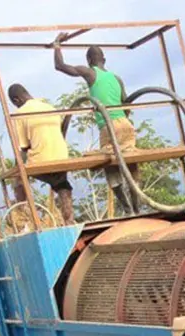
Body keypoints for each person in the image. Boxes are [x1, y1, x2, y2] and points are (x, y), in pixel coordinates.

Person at [53, 36, 140, 216]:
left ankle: (128, 209)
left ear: (90, 61)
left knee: (111, 168)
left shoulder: (91, 72)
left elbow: (60, 66)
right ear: (104, 60)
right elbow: (126, 103)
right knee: (131, 165)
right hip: (126, 124)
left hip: (109, 127)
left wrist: (57, 45)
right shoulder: (116, 78)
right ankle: (138, 209)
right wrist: (123, 120)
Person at [7, 84, 75, 225]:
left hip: (42, 159)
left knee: (19, 176)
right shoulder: (49, 107)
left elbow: (24, 147)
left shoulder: (20, 113)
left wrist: (17, 171)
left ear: (16, 100)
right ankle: (69, 220)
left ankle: (21, 213)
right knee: (62, 186)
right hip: (62, 157)